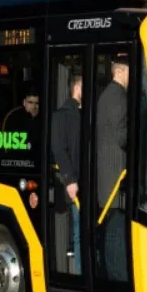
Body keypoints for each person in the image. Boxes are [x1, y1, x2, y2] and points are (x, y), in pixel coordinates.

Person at [96, 54, 130, 282]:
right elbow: (122, 136)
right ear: (119, 71)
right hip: (116, 179)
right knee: (116, 232)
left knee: (113, 231)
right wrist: (146, 122)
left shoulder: (107, 95)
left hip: (109, 179)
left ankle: (114, 275)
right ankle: (118, 278)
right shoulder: (118, 96)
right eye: (129, 71)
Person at [51, 73, 82, 271]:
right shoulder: (62, 115)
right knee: (79, 232)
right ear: (77, 88)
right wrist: (70, 180)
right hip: (73, 183)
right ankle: (79, 272)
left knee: (81, 232)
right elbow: (59, 149)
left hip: (81, 182)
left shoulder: (80, 114)